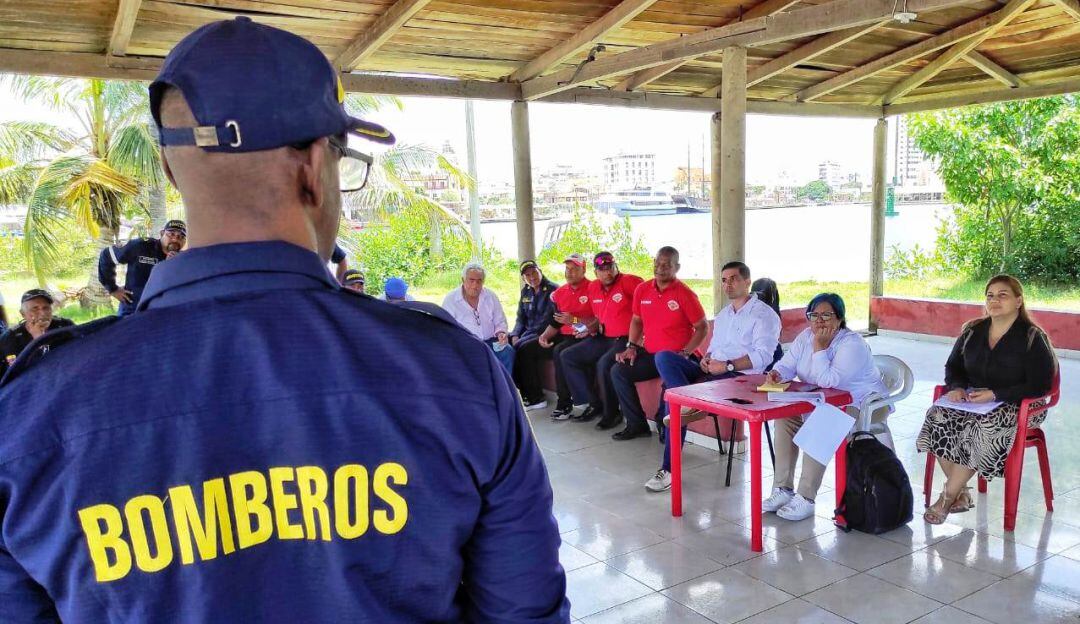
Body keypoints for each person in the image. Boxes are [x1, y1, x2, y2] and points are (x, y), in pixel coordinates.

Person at [0, 18, 568, 623]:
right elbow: (524, 609)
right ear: (313, 168)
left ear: (169, 169)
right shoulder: (453, 371)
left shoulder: (30, 414)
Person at [917, 274, 1056, 525]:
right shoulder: (973, 331)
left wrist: (996, 395)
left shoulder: (1032, 337)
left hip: (1019, 403)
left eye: (1003, 295)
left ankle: (947, 497)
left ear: (1018, 301)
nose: (995, 300)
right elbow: (953, 366)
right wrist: (957, 387)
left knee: (980, 427)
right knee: (937, 416)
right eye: (990, 296)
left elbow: (1040, 384)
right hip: (975, 400)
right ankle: (963, 493)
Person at [644, 262, 781, 492]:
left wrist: (726, 365)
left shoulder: (764, 315)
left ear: (747, 282)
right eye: (724, 280)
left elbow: (763, 356)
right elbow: (715, 346)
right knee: (664, 357)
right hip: (712, 370)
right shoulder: (725, 314)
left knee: (672, 400)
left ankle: (668, 468)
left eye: (734, 279)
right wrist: (707, 359)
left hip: (738, 377)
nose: (728, 285)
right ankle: (688, 401)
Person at [763, 293, 888, 521]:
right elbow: (788, 364)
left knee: (823, 420)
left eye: (826, 315)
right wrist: (777, 373)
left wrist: (819, 348)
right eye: (814, 315)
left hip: (861, 403)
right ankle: (783, 489)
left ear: (839, 319)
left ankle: (806, 497)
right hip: (821, 401)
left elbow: (830, 382)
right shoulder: (805, 337)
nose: (819, 321)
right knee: (784, 416)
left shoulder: (852, 344)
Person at [609, 247, 708, 441]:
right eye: (657, 263)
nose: (660, 268)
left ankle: (664, 421)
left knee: (669, 381)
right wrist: (631, 347)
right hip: (651, 354)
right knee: (618, 371)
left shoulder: (684, 294)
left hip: (677, 358)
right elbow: (637, 321)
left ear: (676, 267)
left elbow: (702, 327)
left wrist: (685, 352)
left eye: (666, 265)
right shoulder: (642, 289)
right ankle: (637, 424)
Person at [562, 251, 644, 428]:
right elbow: (599, 318)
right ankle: (594, 403)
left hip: (625, 338)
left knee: (604, 364)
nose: (607, 273)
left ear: (616, 267)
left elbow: (645, 307)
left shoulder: (630, 282)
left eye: (610, 268)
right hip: (603, 337)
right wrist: (586, 328)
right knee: (568, 356)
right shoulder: (593, 288)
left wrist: (637, 342)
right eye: (602, 269)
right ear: (595, 272)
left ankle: (612, 413)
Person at [532, 254, 594, 420]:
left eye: (575, 269)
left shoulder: (593, 288)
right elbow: (557, 320)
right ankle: (564, 402)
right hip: (568, 336)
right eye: (568, 269)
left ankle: (576, 403)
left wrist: (574, 321)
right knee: (554, 349)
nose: (570, 272)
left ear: (584, 269)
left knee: (562, 352)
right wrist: (544, 336)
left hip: (589, 335)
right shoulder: (560, 293)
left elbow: (597, 323)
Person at [98, 219, 187, 316]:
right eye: (171, 234)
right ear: (162, 234)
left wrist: (173, 267)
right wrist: (113, 289)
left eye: (181, 237)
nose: (175, 239)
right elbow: (107, 255)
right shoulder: (141, 246)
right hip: (132, 311)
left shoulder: (185, 260)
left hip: (163, 313)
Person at [442, 262, 515, 373]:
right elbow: (445, 328)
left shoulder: (490, 296)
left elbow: (500, 320)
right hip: (466, 344)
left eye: (479, 281)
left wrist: (501, 333)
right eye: (471, 280)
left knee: (507, 352)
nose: (475, 285)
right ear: (463, 280)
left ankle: (504, 388)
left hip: (491, 342)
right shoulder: (451, 299)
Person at [510, 260, 559, 410]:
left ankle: (536, 397)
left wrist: (523, 337)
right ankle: (521, 393)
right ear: (524, 278)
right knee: (511, 345)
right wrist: (516, 334)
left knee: (524, 349)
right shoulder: (525, 292)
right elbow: (520, 318)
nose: (532, 277)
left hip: (548, 336)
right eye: (527, 275)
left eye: (534, 273)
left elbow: (548, 320)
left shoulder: (553, 290)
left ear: (540, 271)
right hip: (530, 334)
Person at [0, 289, 74, 377]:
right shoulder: (10, 338)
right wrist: (38, 339)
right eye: (35, 309)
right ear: (23, 314)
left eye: (46, 308)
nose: (42, 313)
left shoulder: (64, 326)